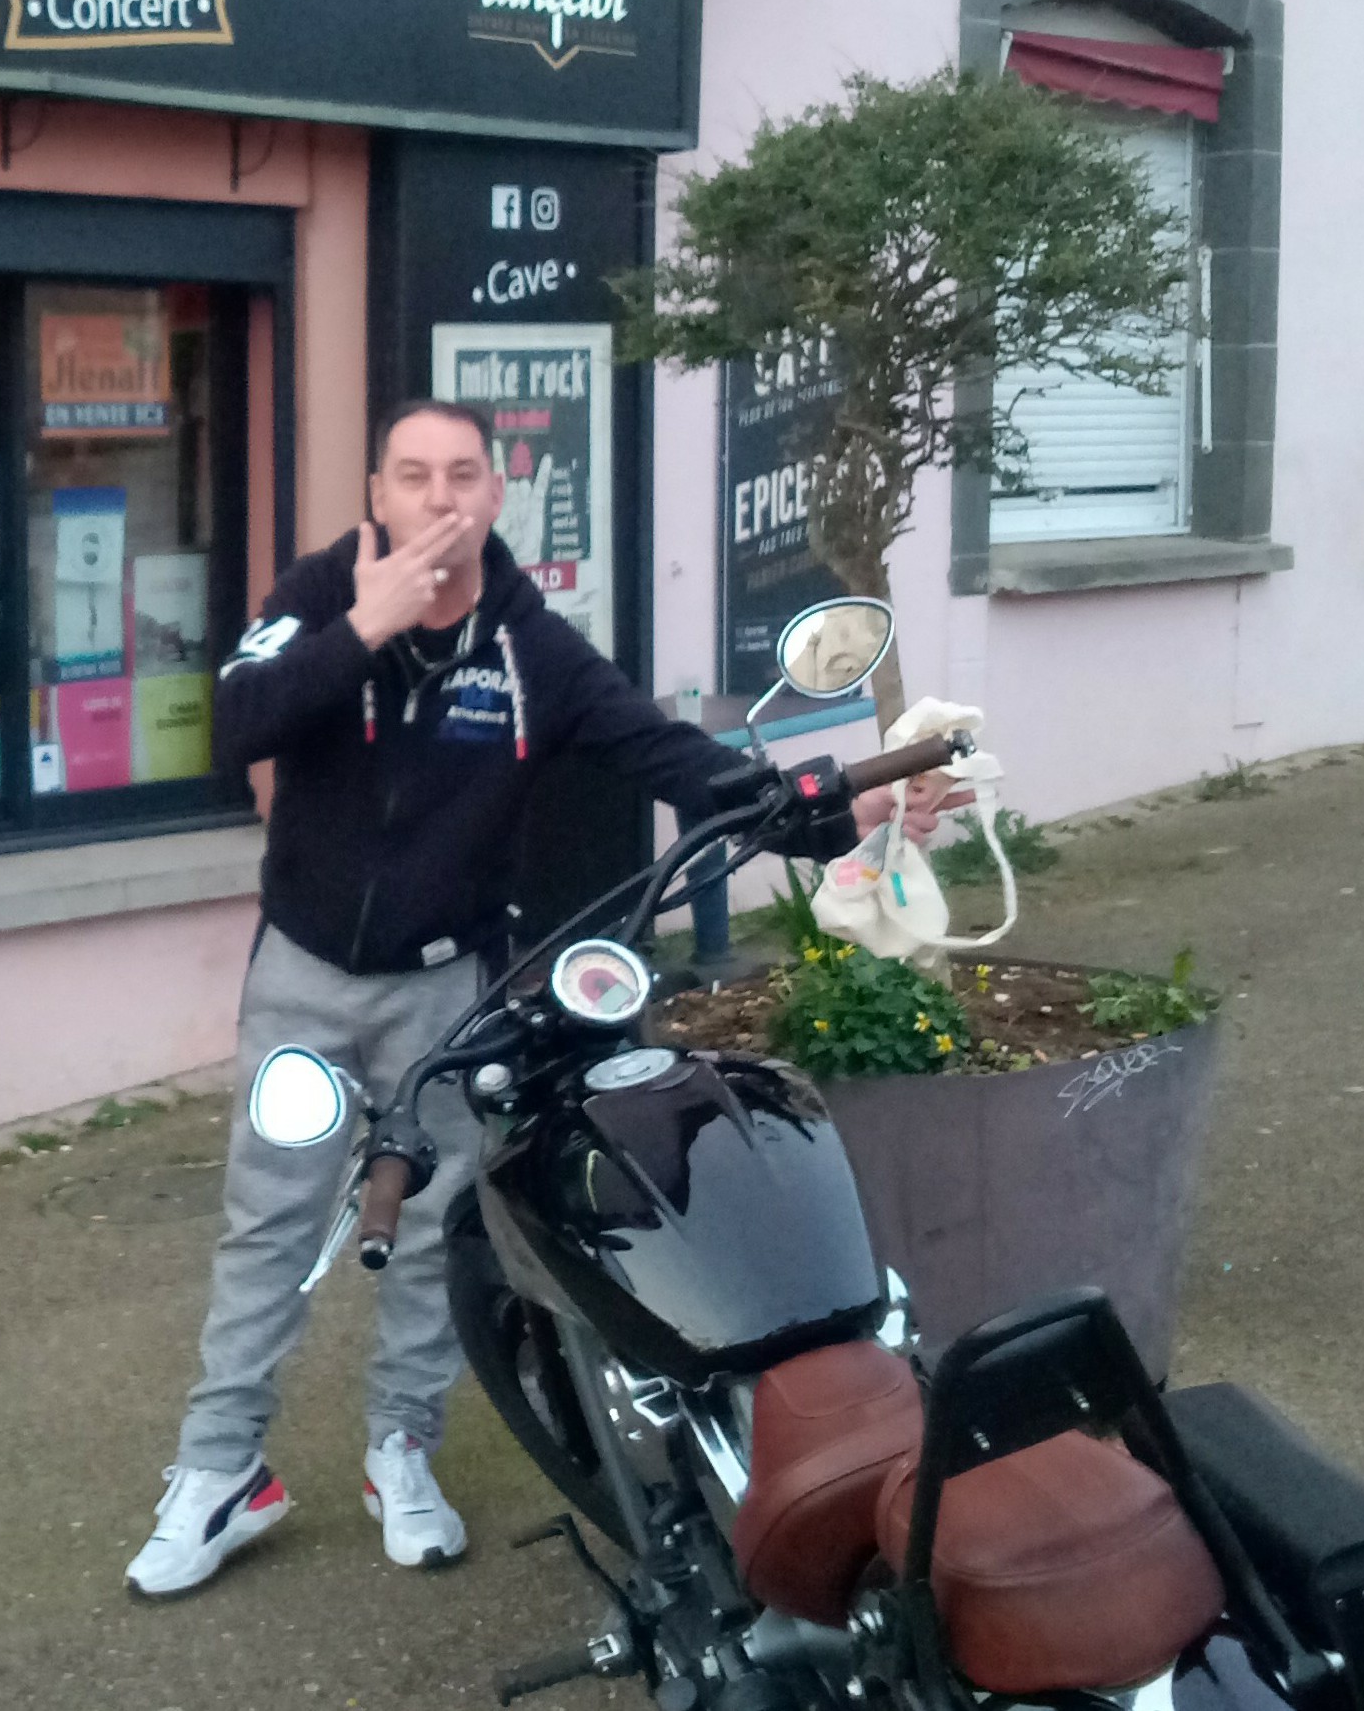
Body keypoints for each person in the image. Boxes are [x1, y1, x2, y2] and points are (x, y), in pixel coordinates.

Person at [124, 401, 915, 1599]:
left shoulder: (531, 646)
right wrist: (364, 625)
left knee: (436, 1225)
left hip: (449, 992)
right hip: (305, 982)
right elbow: (238, 722)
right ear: (378, 495)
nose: (439, 498)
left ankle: (402, 1447)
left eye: (463, 475)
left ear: (497, 497)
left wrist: (825, 814)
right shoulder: (317, 596)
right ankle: (221, 1469)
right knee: (269, 1223)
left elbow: (669, 756)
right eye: (413, 475)